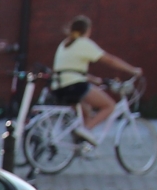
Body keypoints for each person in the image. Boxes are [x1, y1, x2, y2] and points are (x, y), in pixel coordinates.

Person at [49, 16, 139, 144]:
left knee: (87, 112)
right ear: (88, 30)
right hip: (74, 86)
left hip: (59, 87)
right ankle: (86, 130)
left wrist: (93, 79)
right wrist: (132, 70)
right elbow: (109, 60)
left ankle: (81, 144)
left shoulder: (64, 44)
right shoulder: (83, 43)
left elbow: (68, 69)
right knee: (109, 106)